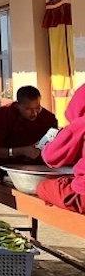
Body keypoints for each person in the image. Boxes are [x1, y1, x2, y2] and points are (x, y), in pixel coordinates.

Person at [0, 86, 58, 181]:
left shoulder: (48, 118)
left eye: (37, 108)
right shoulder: (3, 114)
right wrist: (23, 150)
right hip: (4, 160)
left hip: (33, 163)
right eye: (28, 109)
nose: (34, 113)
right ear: (17, 105)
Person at [36, 83, 85, 213]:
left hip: (82, 197)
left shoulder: (79, 124)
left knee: (43, 187)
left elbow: (51, 157)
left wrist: (48, 144)